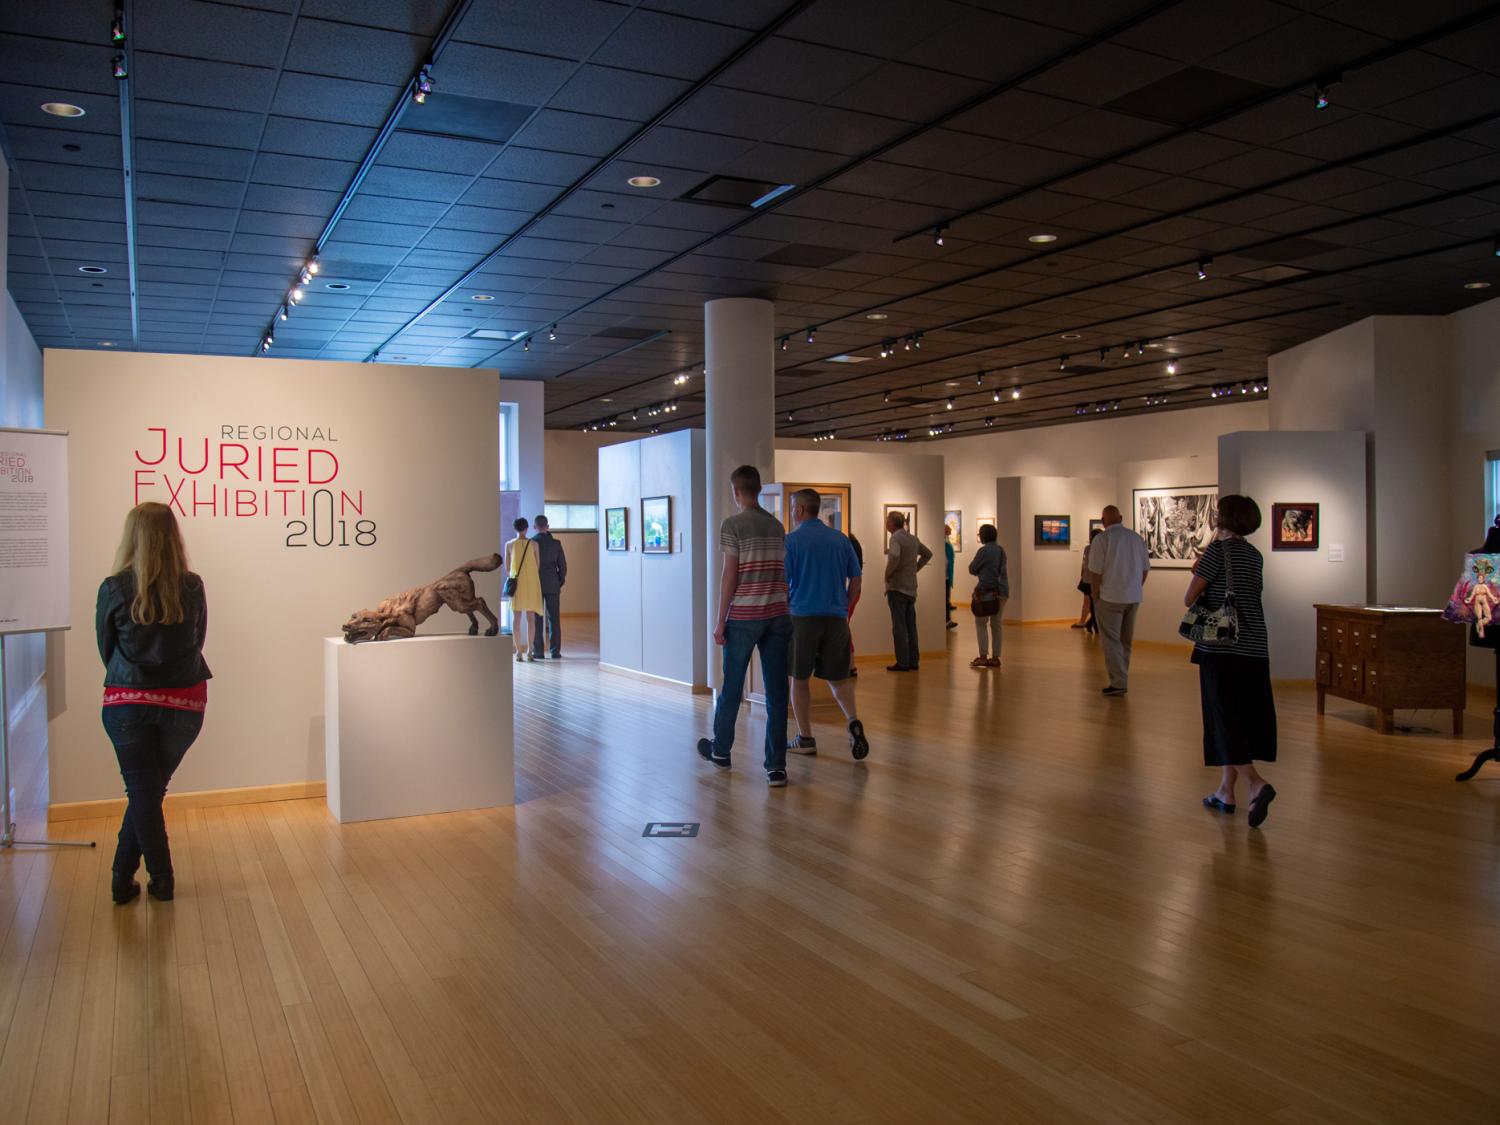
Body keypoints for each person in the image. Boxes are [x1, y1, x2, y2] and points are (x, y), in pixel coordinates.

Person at [97, 502, 211, 905]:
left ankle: (158, 878)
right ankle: (125, 878)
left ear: (132, 537)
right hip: (185, 703)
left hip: (127, 703)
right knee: (148, 789)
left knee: (142, 790)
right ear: (173, 536)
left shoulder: (113, 588)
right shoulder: (193, 586)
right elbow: (197, 643)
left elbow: (106, 650)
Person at [697, 465, 793, 787]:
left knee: (732, 687)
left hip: (744, 617)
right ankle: (776, 767)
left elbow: (729, 576)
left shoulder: (732, 525)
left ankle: (721, 751)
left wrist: (720, 620)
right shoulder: (777, 526)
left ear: (736, 492)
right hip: (778, 614)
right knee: (777, 692)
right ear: (759, 489)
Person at [1186, 495, 1278, 827]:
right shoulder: (1254, 555)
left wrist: (1198, 570)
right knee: (1239, 717)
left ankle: (1256, 783)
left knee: (1223, 718)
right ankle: (1226, 791)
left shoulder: (1216, 552)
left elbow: (1190, 596)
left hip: (1221, 649)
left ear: (1223, 517)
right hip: (1255, 648)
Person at [784, 489, 870, 761]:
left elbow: (783, 582)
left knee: (799, 679)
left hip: (802, 617)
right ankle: (853, 719)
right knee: (839, 678)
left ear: (799, 509)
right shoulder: (840, 540)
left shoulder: (792, 542)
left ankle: (806, 736)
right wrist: (843, 607)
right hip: (836, 618)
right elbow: (856, 580)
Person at [1087, 504, 1150, 696]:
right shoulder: (1136, 538)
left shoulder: (1102, 539)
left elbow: (1095, 572)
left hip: (1110, 597)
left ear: (1104, 521)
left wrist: (1095, 593)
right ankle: (1122, 677)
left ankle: (1119, 681)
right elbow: (1145, 569)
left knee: (1111, 641)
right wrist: (1136, 588)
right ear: (1121, 518)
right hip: (1133, 597)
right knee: (1125, 640)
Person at [884, 512, 932, 672]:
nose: (886, 524)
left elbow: (895, 555)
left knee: (899, 627)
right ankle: (913, 661)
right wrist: (914, 569)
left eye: (887, 521)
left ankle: (903, 662)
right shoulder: (912, 538)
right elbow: (928, 554)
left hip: (897, 588)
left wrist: (888, 573)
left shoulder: (896, 538)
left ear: (892, 524)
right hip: (911, 589)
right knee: (911, 626)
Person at [967, 523, 1008, 668]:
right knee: (996, 625)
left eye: (980, 534)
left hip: (986, 591)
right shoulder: (1001, 550)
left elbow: (972, 568)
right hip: (1001, 591)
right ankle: (995, 657)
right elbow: (1001, 571)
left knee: (981, 623)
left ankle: (983, 656)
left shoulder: (983, 551)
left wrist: (981, 572)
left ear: (984, 536)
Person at [529, 514, 567, 660]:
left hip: (536, 584)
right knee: (554, 618)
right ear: (548, 526)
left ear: (534, 527)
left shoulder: (531, 543)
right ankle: (555, 651)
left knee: (537, 618)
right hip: (553, 584)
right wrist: (559, 581)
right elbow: (562, 566)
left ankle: (538, 651)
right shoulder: (556, 543)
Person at [504, 516, 542, 662]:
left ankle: (518, 651)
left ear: (514, 528)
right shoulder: (534, 544)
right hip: (532, 583)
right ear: (527, 528)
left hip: (517, 583)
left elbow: (507, 569)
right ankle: (530, 650)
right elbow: (537, 565)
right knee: (531, 618)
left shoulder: (509, 545)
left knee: (516, 619)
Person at [1073, 525, 1102, 633]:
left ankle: (1088, 622)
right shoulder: (1092, 549)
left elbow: (1084, 564)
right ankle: (1091, 622)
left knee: (1089, 601)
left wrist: (1082, 574)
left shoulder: (1088, 548)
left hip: (1087, 578)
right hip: (1092, 578)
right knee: (1093, 602)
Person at [847, 533, 864, 677]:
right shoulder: (852, 542)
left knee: (842, 628)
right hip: (852, 591)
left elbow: (855, 575)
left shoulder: (849, 542)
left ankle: (850, 664)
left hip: (849, 592)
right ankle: (850, 665)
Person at [944, 528, 958, 630]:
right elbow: (947, 562)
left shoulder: (947, 545)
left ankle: (947, 620)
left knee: (946, 599)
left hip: (946, 577)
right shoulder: (946, 545)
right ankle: (947, 621)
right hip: (945, 577)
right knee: (945, 599)